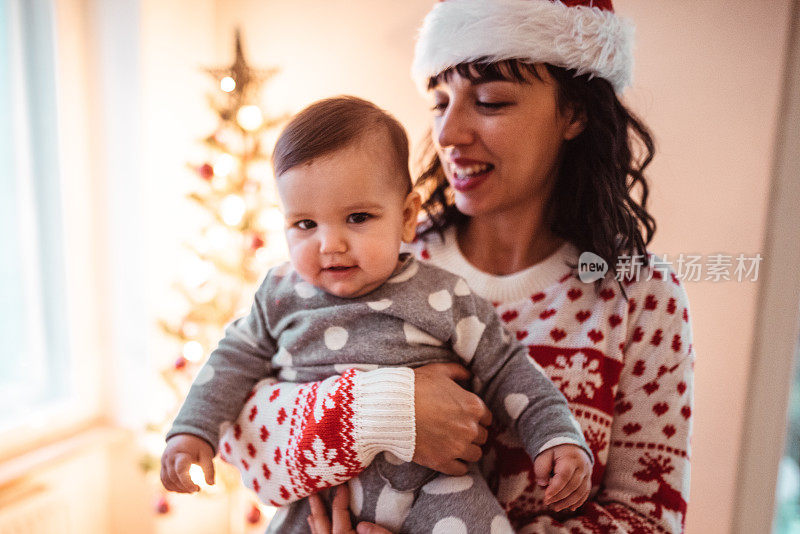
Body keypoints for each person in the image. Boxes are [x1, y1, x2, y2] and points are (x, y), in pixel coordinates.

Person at [174, 0, 696, 532]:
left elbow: (646, 518)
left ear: (574, 113)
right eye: (440, 101)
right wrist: (376, 412)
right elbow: (245, 448)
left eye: (491, 101)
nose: (448, 134)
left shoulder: (641, 297)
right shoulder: (365, 257)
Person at [161, 95, 594, 533]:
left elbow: (510, 372)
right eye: (305, 225)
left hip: (434, 489)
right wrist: (192, 432)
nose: (330, 244)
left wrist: (555, 437)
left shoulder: (444, 295)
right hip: (317, 499)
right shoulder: (279, 294)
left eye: (357, 217)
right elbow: (230, 362)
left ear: (407, 217)